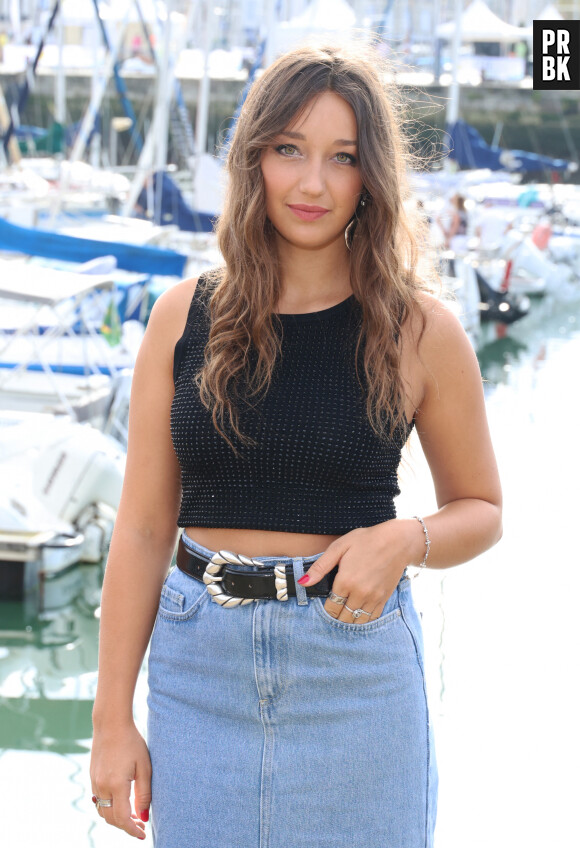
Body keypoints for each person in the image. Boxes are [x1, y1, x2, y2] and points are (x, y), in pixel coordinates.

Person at [90, 42, 502, 847]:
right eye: (289, 150)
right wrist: (111, 720)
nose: (312, 184)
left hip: (357, 673)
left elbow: (482, 510)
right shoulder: (181, 319)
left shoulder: (419, 331)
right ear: (255, 160)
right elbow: (140, 531)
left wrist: (404, 540)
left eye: (342, 158)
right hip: (197, 672)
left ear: (370, 178)